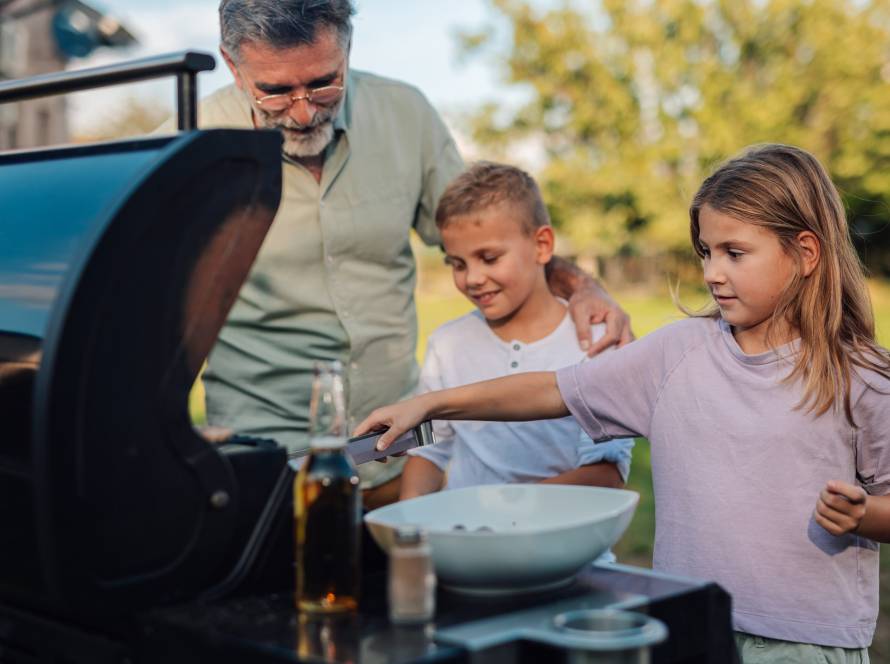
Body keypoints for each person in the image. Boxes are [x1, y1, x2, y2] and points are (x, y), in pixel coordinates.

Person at [357, 144, 890, 661]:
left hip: (802, 640)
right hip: (685, 619)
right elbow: (551, 389)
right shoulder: (676, 353)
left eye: (734, 252)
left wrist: (864, 515)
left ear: (805, 253)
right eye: (706, 251)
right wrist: (430, 406)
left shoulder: (862, 377)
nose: (712, 272)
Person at [168, 0, 633, 508]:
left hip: (396, 454)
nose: (302, 112)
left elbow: (492, 232)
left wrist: (584, 287)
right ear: (233, 67)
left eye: (324, 83)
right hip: (271, 466)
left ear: (347, 49)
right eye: (275, 91)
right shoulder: (187, 145)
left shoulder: (405, 114)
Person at [400, 162, 634, 506]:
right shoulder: (447, 344)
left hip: (565, 548)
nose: (473, 278)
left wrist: (501, 510)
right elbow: (430, 454)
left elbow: (606, 473)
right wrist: (411, 518)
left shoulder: (597, 341)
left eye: (489, 258)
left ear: (542, 245)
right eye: (458, 264)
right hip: (468, 545)